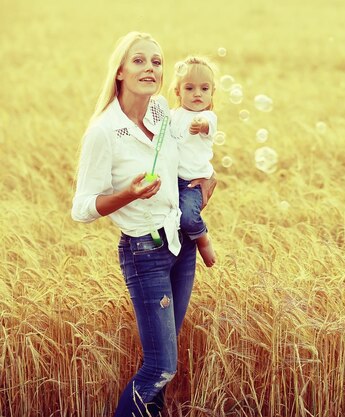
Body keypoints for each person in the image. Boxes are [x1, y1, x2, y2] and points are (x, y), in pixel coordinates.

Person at [71, 31, 216, 417]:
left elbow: (191, 158)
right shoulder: (103, 131)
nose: (150, 68)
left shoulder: (160, 113)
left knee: (165, 371)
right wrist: (130, 194)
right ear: (119, 71)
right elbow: (82, 207)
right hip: (145, 253)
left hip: (180, 246)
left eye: (156, 61)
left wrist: (206, 183)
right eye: (139, 61)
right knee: (161, 366)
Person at [169, 56, 218, 268]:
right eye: (189, 88)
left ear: (212, 92)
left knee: (188, 217)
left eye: (204, 89)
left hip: (193, 183)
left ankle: (202, 239)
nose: (197, 93)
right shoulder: (172, 115)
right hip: (171, 180)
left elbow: (207, 126)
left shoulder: (208, 116)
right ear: (178, 91)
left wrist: (201, 125)